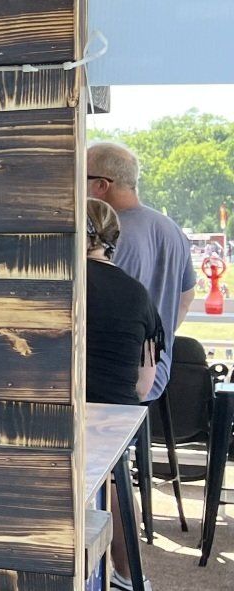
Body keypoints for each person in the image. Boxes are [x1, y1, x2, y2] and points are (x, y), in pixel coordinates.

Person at [84, 198, 164, 591]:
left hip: (55, 413)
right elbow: (144, 385)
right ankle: (131, 576)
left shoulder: (60, 282)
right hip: (112, 419)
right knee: (116, 477)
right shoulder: (137, 294)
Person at [89, 141, 196, 402]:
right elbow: (186, 297)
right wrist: (157, 341)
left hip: (113, 384)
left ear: (101, 185)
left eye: (79, 175)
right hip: (154, 376)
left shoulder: (105, 239)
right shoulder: (172, 229)